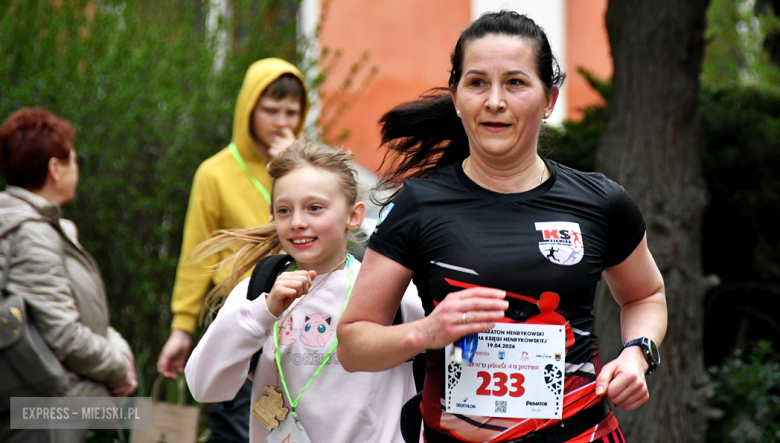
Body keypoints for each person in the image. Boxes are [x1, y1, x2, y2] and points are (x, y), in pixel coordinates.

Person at [337, 11, 667, 443]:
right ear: (456, 97)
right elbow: (352, 345)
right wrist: (425, 332)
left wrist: (637, 355)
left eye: (515, 82)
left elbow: (646, 295)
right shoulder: (419, 205)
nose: (495, 100)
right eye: (477, 83)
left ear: (549, 99)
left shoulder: (600, 202)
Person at [184, 139, 424, 443]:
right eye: (284, 210)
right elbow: (204, 386)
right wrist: (263, 312)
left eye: (314, 208)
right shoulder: (257, 293)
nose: (297, 222)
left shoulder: (394, 293)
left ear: (354, 216)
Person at [156, 58, 308, 442]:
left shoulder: (307, 169)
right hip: (239, 314)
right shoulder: (215, 172)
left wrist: (292, 165)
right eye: (270, 110)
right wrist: (181, 326)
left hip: (300, 315)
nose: (281, 121)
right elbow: (198, 253)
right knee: (237, 425)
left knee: (294, 420)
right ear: (247, 110)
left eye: (291, 111)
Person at [0, 107, 137, 443]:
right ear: (55, 168)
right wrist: (118, 367)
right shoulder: (31, 233)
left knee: (139, 417)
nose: (77, 168)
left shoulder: (41, 225)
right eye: (74, 159)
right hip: (43, 410)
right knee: (141, 418)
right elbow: (63, 334)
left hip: (46, 403)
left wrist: (114, 343)